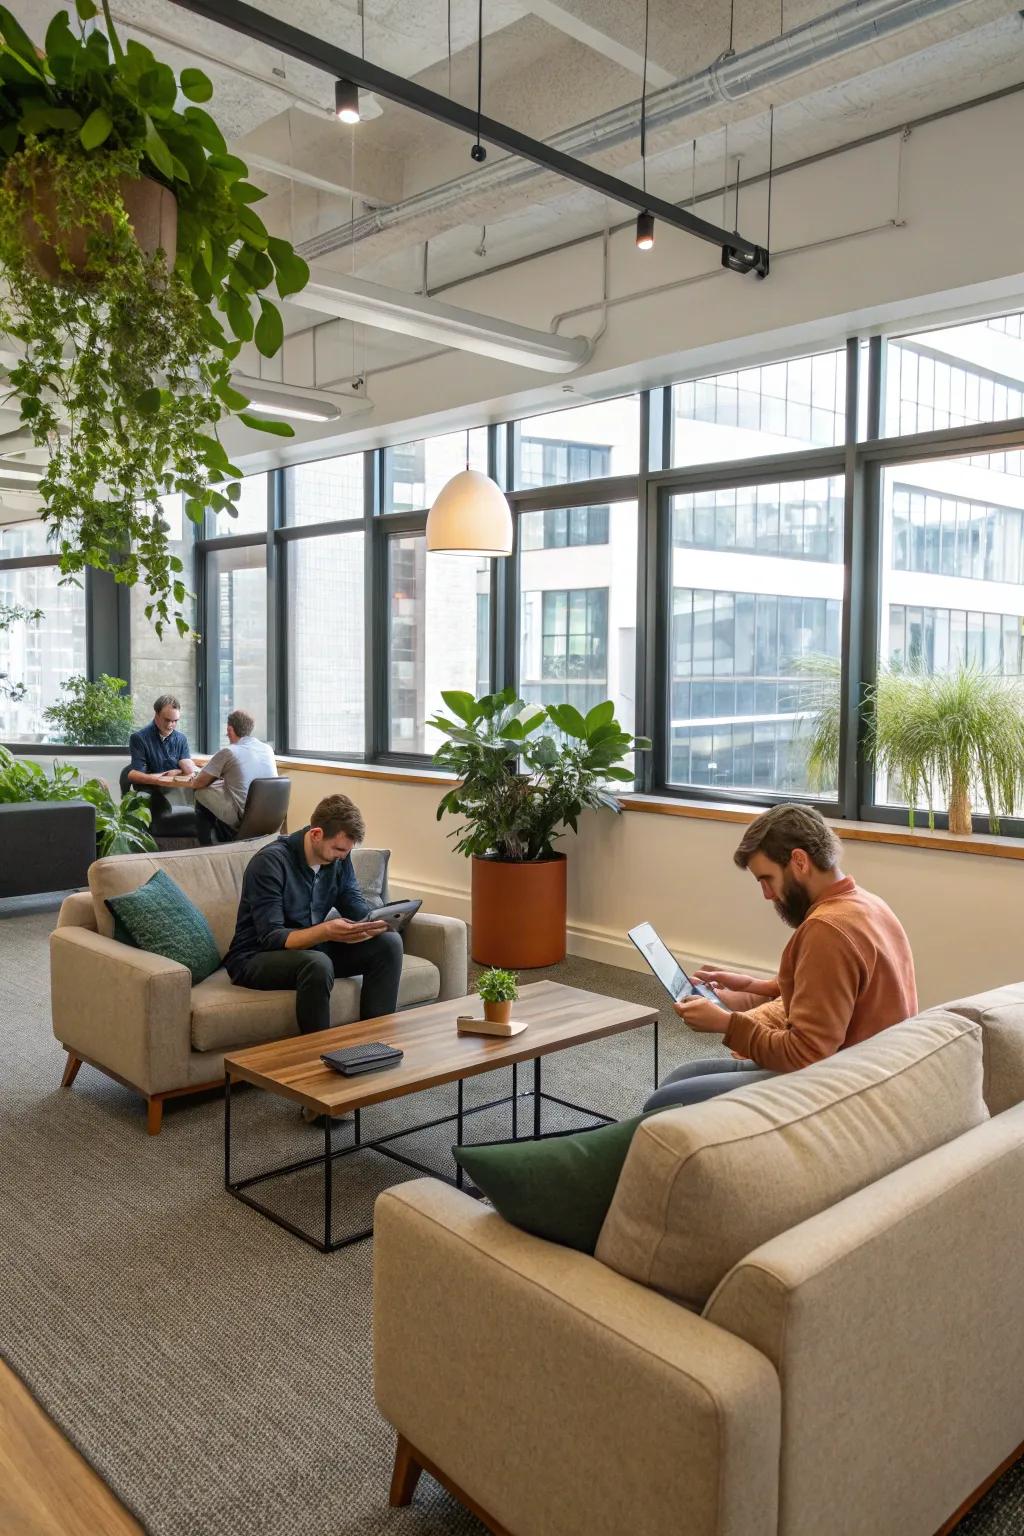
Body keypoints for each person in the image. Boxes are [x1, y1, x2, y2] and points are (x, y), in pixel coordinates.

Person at [645, 803, 918, 1111]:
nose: (767, 894)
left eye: (767, 879)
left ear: (799, 861)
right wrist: (752, 985)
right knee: (680, 1078)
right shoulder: (866, 904)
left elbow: (806, 1053)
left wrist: (726, 1024)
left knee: (663, 1103)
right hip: (872, 1066)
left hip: (841, 1083)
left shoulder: (826, 929)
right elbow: (832, 991)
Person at [223, 792, 403, 1035]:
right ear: (316, 834)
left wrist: (377, 922)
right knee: (317, 964)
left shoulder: (340, 859)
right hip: (257, 956)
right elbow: (272, 937)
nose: (342, 855)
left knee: (389, 943)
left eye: (347, 851)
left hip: (311, 950)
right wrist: (326, 931)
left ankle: (375, 1045)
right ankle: (318, 1059)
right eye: (338, 848)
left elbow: (354, 903)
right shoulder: (270, 863)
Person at [186, 709, 277, 845]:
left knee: (200, 792)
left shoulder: (229, 751)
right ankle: (220, 835)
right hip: (270, 816)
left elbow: (199, 783)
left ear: (230, 729)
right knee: (220, 790)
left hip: (243, 817)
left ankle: (206, 844)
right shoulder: (267, 749)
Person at [127, 695, 197, 788]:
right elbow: (137, 776)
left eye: (175, 721)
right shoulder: (138, 738)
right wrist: (167, 775)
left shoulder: (181, 739)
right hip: (149, 790)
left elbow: (188, 771)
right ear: (156, 715)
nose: (170, 725)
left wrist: (179, 772)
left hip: (175, 790)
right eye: (167, 720)